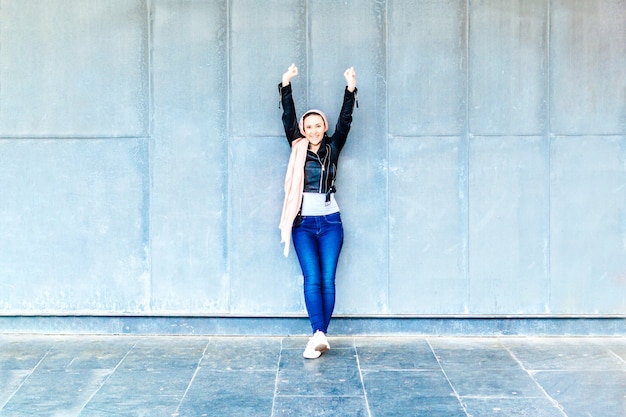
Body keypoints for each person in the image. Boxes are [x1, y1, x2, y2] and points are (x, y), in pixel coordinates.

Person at [278, 63, 357, 359]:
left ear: (324, 127)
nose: (313, 130)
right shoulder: (297, 146)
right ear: (303, 129)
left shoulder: (334, 147)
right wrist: (286, 84)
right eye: (308, 126)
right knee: (311, 278)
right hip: (303, 223)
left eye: (318, 125)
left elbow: (346, 122)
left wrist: (350, 88)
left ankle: (319, 336)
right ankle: (318, 333)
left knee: (328, 279)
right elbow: (287, 116)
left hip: (331, 222)